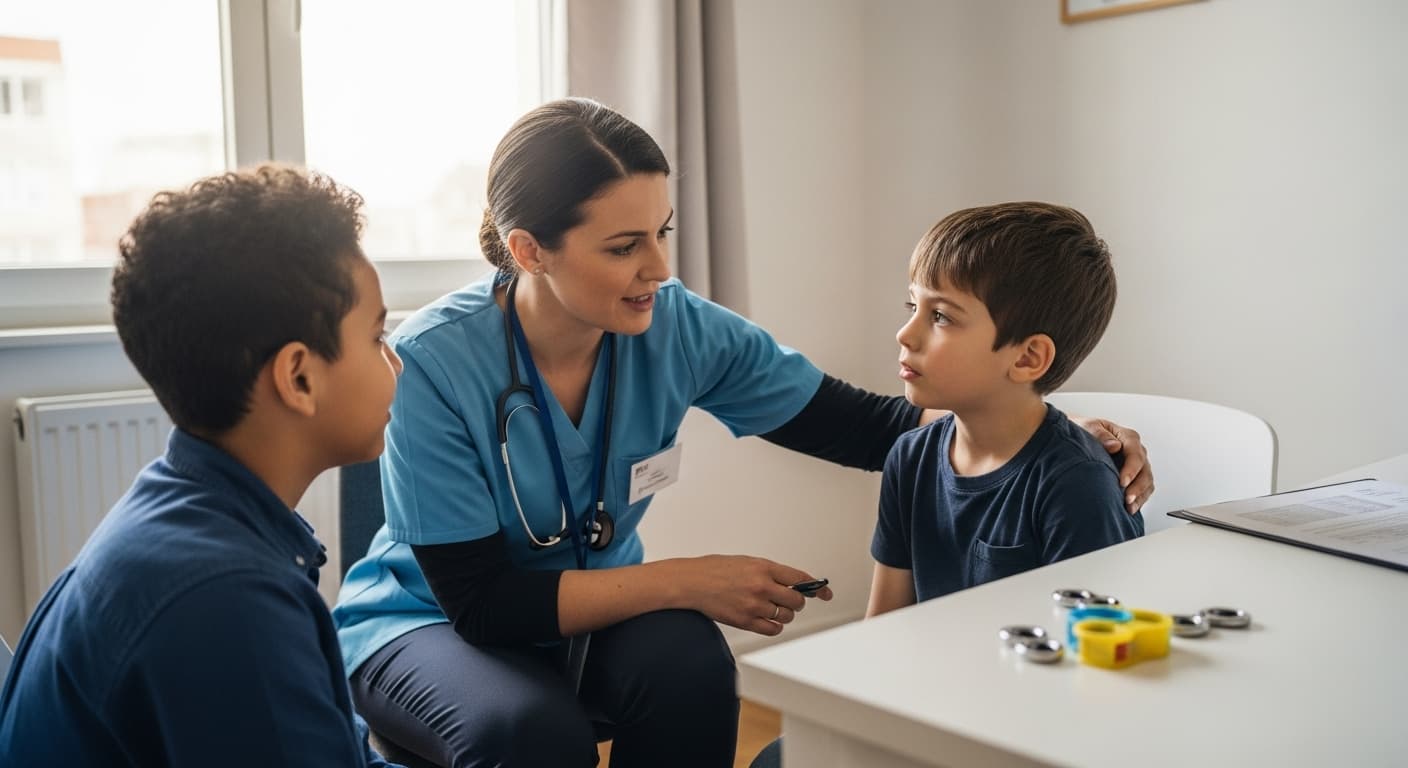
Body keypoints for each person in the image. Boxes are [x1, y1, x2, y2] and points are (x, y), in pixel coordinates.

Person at [332, 98, 1154, 768]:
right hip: (428, 624)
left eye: (663, 232)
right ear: (529, 250)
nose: (659, 268)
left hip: (582, 614)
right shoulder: (435, 362)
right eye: (624, 246)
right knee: (531, 735)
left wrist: (1043, 428)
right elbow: (483, 603)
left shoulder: (673, 324)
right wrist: (691, 579)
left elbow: (869, 427)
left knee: (691, 667)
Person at [0, 166, 405, 767]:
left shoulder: (190, 510)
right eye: (376, 337)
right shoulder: (229, 604)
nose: (395, 362)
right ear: (298, 376)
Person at [868, 201, 1144, 617]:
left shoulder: (1076, 484)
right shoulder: (910, 458)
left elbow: (1093, 650)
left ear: (1028, 358)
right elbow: (882, 629)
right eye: (914, 307)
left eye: (941, 315)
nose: (906, 334)